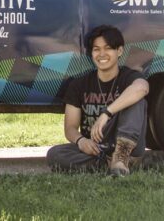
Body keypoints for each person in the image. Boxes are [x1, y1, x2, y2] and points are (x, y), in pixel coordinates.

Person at [47, 25, 149, 176]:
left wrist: (106, 113)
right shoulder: (79, 84)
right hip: (97, 148)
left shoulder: (128, 77)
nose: (102, 54)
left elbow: (142, 88)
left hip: (127, 144)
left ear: (119, 51)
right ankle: (110, 164)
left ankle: (121, 157)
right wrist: (81, 141)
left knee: (137, 100)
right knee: (55, 154)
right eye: (96, 49)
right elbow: (70, 127)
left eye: (107, 48)